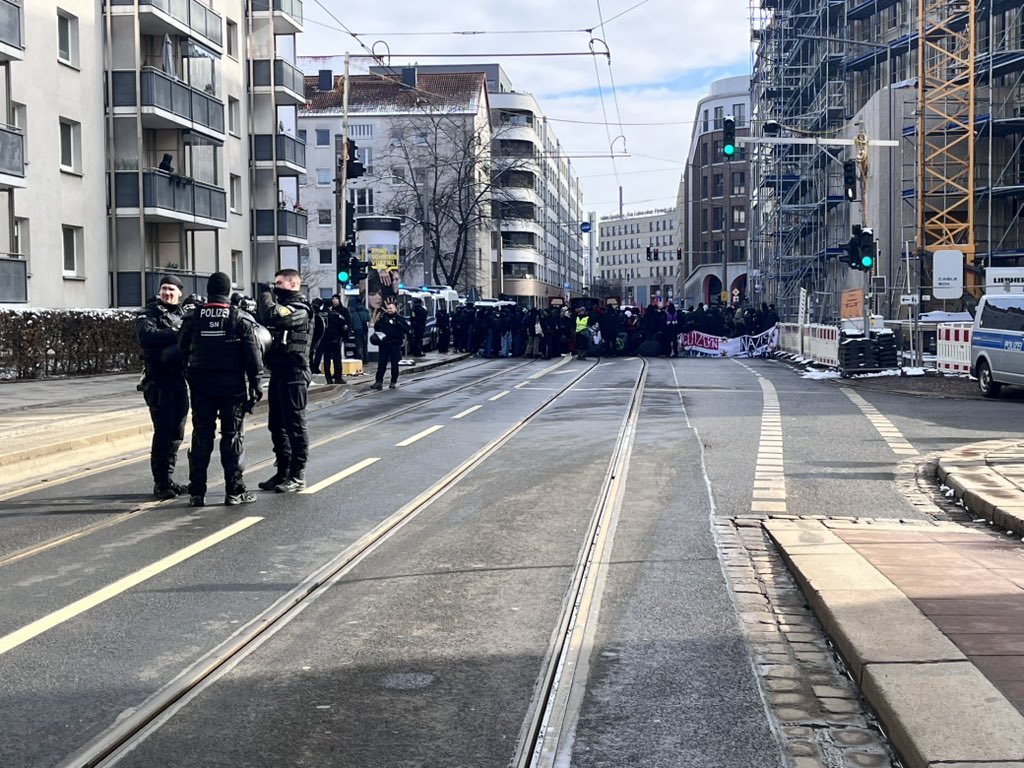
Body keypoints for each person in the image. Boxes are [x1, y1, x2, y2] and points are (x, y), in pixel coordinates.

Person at [179, 272, 263, 507]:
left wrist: (188, 374)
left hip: (201, 386)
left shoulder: (194, 316)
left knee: (201, 436)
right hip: (232, 387)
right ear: (227, 291)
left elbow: (181, 349)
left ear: (209, 290)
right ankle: (234, 492)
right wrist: (256, 385)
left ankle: (197, 492)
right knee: (232, 436)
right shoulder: (240, 317)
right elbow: (253, 355)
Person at [256, 269, 315, 493]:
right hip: (280, 371)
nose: (275, 286)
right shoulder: (282, 305)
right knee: (277, 424)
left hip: (296, 372)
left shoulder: (300, 308)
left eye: (279, 283)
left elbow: (274, 316)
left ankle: (298, 474)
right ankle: (283, 470)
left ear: (292, 284)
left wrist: (264, 294)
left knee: (295, 424)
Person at [136, 274, 189, 499]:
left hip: (179, 381)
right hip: (159, 382)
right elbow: (146, 336)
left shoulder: (184, 315)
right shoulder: (149, 313)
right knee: (163, 433)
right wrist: (175, 334)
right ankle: (161, 483)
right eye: (164, 289)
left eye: (172, 290)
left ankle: (169, 478)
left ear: (180, 294)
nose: (167, 293)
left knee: (177, 433)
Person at [370, 297, 409, 390]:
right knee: (381, 363)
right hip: (384, 344)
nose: (389, 310)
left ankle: (393, 381)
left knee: (394, 364)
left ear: (395, 309)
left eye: (391, 308)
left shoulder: (400, 319)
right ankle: (378, 381)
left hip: (395, 344)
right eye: (388, 308)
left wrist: (396, 323)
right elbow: (377, 327)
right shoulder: (383, 318)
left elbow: (406, 329)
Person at [321, 294, 350, 384]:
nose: (334, 301)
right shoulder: (331, 313)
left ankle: (333, 378)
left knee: (331, 358)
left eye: (336, 299)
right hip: (330, 338)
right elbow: (343, 324)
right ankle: (333, 378)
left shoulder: (342, 311)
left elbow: (347, 323)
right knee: (332, 358)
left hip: (331, 338)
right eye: (333, 299)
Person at [348, 295, 370, 362]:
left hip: (357, 330)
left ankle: (360, 359)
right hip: (364, 329)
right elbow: (368, 319)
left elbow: (351, 321)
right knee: (365, 345)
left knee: (359, 345)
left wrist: (351, 328)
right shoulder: (365, 311)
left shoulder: (353, 311)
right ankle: (366, 359)